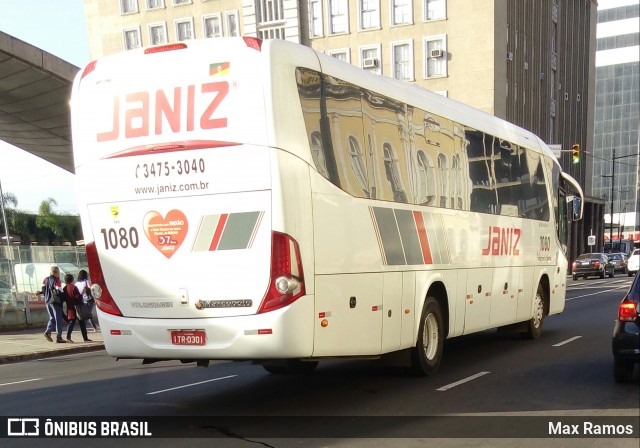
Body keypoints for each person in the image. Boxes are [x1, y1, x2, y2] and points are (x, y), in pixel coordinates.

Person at [63, 273, 91, 343]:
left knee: (71, 322)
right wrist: (82, 293)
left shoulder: (64, 288)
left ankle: (68, 337)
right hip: (77, 307)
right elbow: (78, 297)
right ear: (72, 280)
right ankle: (85, 338)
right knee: (82, 323)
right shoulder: (74, 287)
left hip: (70, 307)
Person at [42, 266, 65, 343]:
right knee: (58, 319)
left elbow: (43, 290)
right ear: (56, 272)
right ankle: (59, 337)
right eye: (58, 273)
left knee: (52, 318)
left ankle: (48, 332)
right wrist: (63, 296)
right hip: (55, 301)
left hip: (47, 301)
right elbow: (59, 290)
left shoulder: (46, 279)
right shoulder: (56, 280)